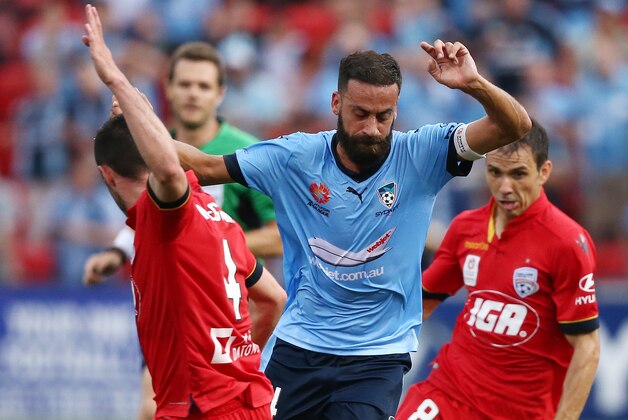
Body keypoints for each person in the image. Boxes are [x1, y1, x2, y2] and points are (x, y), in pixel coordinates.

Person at [174, 36, 532, 418]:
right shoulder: (294, 157)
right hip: (299, 346)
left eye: (384, 116)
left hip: (376, 359)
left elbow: (514, 126)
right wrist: (135, 122)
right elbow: (205, 165)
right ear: (336, 103)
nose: (372, 129)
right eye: (360, 114)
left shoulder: (424, 153)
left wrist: (474, 85)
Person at [81, 5, 286, 419]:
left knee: (150, 401)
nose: (193, 93)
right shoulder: (206, 202)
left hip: (202, 390)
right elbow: (274, 298)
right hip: (237, 384)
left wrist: (115, 80)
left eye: (203, 85)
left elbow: (166, 187)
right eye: (185, 84)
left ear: (219, 93)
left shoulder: (233, 158)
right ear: (169, 91)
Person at [396, 120, 600, 420]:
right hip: (448, 393)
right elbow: (418, 305)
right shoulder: (466, 227)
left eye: (518, 174)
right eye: (496, 172)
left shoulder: (567, 242)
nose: (505, 187)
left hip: (519, 411)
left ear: (544, 172)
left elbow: (587, 347)